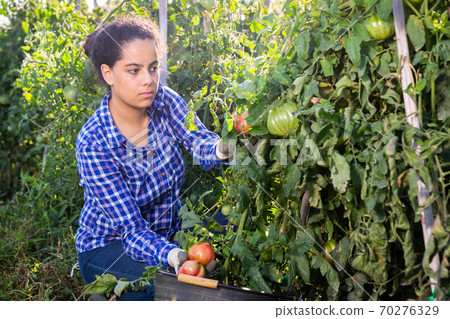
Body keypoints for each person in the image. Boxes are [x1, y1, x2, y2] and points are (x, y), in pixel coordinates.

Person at [75, 15, 233, 301]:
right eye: (133, 71)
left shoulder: (165, 100)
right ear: (109, 74)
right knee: (171, 293)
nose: (148, 80)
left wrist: (224, 149)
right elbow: (132, 231)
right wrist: (173, 256)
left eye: (153, 68)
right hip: (110, 247)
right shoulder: (94, 143)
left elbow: (198, 142)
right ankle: (107, 299)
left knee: (230, 229)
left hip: (170, 232)